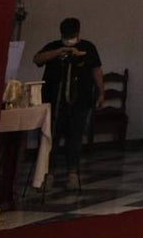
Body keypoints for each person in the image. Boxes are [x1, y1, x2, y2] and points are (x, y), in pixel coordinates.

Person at [33, 17, 104, 191]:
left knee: (75, 137)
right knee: (52, 137)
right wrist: (59, 52)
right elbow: (37, 59)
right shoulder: (54, 46)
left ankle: (73, 173)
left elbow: (96, 70)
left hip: (80, 100)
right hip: (54, 100)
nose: (69, 38)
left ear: (78, 33)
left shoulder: (88, 47)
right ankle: (48, 174)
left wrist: (101, 92)